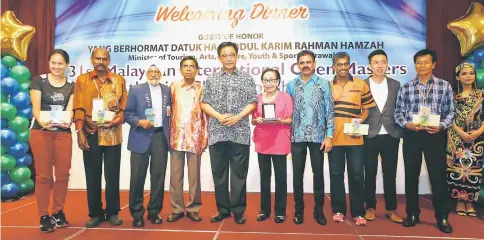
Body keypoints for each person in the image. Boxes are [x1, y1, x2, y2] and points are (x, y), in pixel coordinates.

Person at [394, 48, 454, 233]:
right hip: (412, 135)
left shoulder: (444, 86)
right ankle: (412, 214)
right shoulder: (406, 87)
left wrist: (441, 126)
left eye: (426, 62)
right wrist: (407, 124)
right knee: (411, 176)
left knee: (438, 177)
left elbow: (451, 113)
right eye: (418, 62)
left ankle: (442, 217)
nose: (422, 65)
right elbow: (398, 113)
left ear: (433, 64)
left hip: (434, 135)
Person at [201, 42, 257, 224]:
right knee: (219, 174)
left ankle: (238, 210)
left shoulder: (247, 79)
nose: (229, 58)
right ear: (219, 58)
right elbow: (204, 102)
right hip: (218, 133)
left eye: (232, 54)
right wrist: (217, 116)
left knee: (239, 174)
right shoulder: (211, 79)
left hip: (240, 132)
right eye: (225, 55)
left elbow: (253, 102)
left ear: (237, 56)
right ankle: (223, 210)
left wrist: (238, 116)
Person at [73, 47, 127, 228]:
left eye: (104, 59)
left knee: (112, 175)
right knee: (93, 174)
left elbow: (123, 107)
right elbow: (78, 107)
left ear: (109, 61)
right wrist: (79, 131)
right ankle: (95, 213)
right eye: (97, 59)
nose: (101, 62)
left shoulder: (119, 80)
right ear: (91, 60)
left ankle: (113, 212)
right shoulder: (82, 80)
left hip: (112, 133)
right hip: (91, 131)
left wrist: (119, 118)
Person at [286, 50, 334, 225]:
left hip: (318, 136)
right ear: (298, 65)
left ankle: (319, 211)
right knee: (297, 175)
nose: (305, 65)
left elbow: (330, 111)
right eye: (302, 62)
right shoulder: (291, 85)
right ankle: (298, 211)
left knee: (318, 174)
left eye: (308, 62)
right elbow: (287, 112)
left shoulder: (324, 84)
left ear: (314, 63)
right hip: (297, 136)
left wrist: (329, 135)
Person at [328, 52, 376, 226]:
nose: (342, 67)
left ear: (350, 65)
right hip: (334, 139)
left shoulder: (360, 84)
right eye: (339, 65)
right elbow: (326, 114)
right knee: (336, 176)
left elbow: (367, 109)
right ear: (333, 67)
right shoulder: (327, 86)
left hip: (355, 139)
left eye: (345, 64)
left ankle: (358, 212)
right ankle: (338, 210)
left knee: (356, 176)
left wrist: (360, 121)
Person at [30, 49, 74, 232]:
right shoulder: (38, 81)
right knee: (43, 176)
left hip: (63, 133)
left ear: (67, 65)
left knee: (63, 174)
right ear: (49, 63)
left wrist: (68, 120)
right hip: (41, 133)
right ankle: (44, 215)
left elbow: (70, 109)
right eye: (54, 63)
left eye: (61, 63)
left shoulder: (72, 85)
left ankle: (58, 211)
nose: (57, 66)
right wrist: (43, 121)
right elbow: (36, 107)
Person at [125, 64, 171, 227]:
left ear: (161, 74)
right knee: (137, 177)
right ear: (146, 74)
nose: (153, 74)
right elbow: (127, 114)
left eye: (156, 72)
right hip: (140, 136)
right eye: (150, 72)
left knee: (158, 176)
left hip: (160, 137)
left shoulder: (167, 90)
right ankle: (137, 213)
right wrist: (139, 122)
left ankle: (154, 211)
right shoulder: (136, 90)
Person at [362, 50, 404, 223]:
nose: (380, 65)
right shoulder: (362, 84)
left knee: (390, 174)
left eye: (383, 62)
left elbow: (400, 109)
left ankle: (391, 209)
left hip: (390, 134)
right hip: (369, 134)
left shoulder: (396, 84)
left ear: (387, 64)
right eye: (376, 62)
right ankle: (370, 207)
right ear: (370, 65)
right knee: (369, 173)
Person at [167, 56, 207, 222]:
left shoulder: (202, 88)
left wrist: (205, 136)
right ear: (180, 69)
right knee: (175, 176)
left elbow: (206, 115)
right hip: (176, 137)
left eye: (192, 66)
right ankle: (176, 209)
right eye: (185, 66)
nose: (189, 69)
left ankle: (193, 208)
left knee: (194, 176)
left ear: (197, 69)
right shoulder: (173, 87)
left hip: (195, 137)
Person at [252, 68, 293, 223]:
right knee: (264, 177)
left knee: (281, 178)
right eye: (266, 80)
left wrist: (280, 120)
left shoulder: (285, 97)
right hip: (262, 140)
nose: (268, 83)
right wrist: (257, 120)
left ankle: (280, 211)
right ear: (262, 82)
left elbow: (289, 119)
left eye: (272, 80)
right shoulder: (258, 98)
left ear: (278, 82)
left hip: (280, 140)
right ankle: (264, 210)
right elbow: (253, 120)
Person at [446, 62, 483, 217]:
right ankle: (460, 201)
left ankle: (470, 202)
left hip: (477, 139)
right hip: (457, 138)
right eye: (464, 74)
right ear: (457, 77)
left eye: (471, 73)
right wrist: (460, 132)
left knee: (473, 171)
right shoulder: (452, 96)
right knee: (458, 170)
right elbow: (447, 117)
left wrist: (478, 132)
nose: (468, 76)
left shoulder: (481, 95)